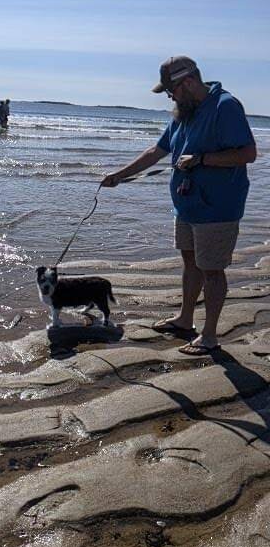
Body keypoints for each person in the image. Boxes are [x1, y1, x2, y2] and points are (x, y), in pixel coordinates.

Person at [101, 56, 257, 355]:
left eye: (171, 90)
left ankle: (209, 336)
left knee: (212, 270)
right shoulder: (182, 112)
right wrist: (119, 175)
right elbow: (157, 150)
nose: (170, 97)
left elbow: (248, 153)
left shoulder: (225, 106)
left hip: (217, 208)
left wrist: (201, 159)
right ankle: (185, 320)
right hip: (186, 204)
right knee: (190, 263)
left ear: (188, 81)